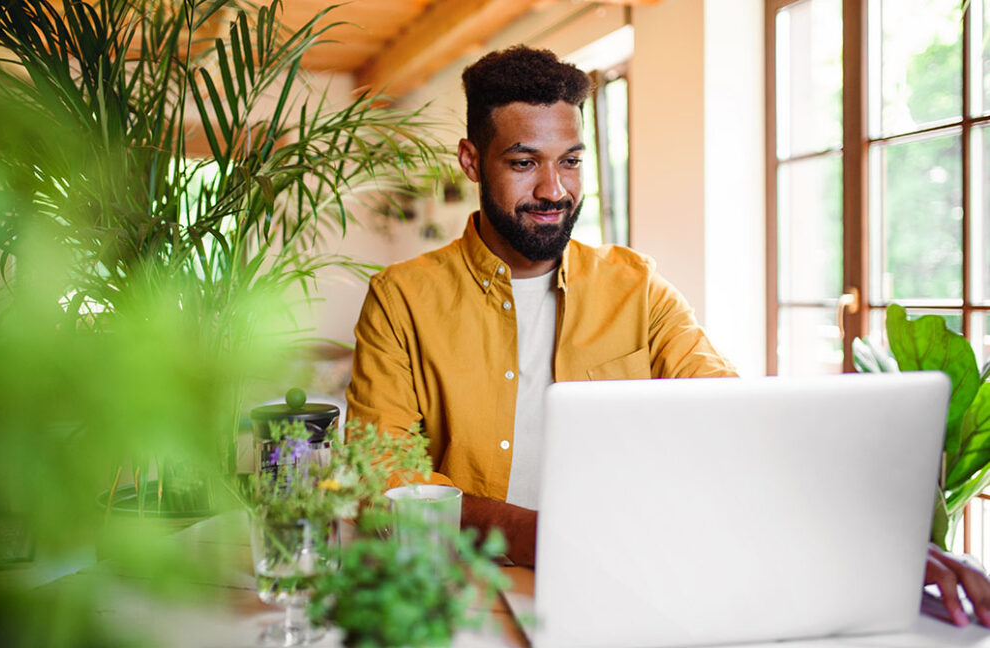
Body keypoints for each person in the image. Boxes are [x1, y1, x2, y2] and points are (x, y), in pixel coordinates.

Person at [346, 45, 990, 627]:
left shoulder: (637, 287)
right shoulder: (401, 299)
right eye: (524, 163)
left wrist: (880, 541)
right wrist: (554, 537)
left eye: (571, 161)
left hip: (637, 592)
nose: (554, 189)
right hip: (466, 600)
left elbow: (735, 425)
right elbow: (386, 485)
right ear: (471, 160)